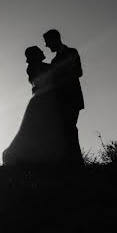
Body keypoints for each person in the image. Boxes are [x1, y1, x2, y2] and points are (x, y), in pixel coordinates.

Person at [2, 46, 69, 167]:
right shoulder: (37, 67)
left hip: (42, 99)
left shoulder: (38, 67)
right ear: (35, 55)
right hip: (43, 100)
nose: (43, 52)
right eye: (40, 51)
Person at [43, 29, 85, 168]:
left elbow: (78, 72)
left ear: (55, 39)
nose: (47, 46)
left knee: (70, 130)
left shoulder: (72, 52)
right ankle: (71, 164)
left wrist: (59, 76)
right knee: (66, 132)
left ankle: (77, 165)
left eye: (48, 42)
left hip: (72, 98)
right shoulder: (54, 61)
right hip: (60, 102)